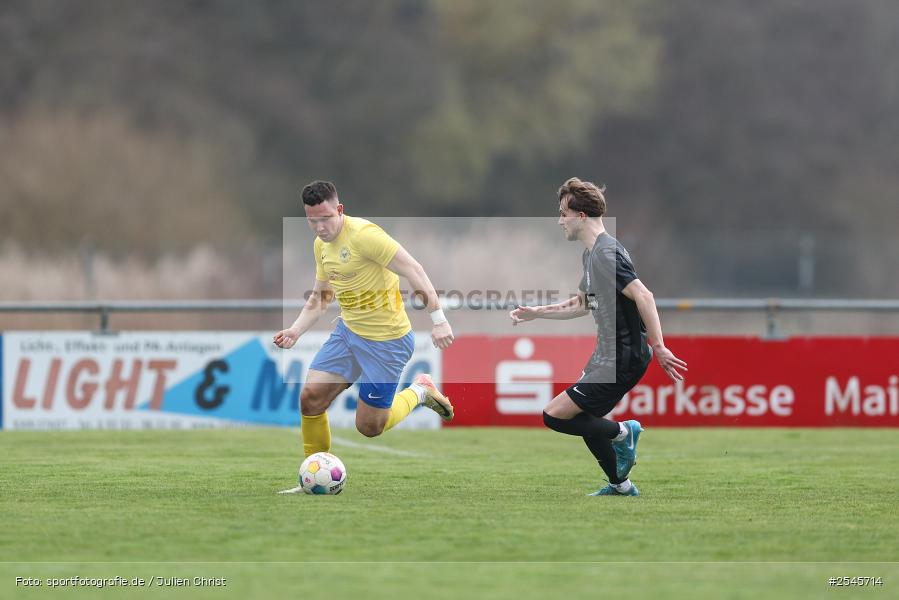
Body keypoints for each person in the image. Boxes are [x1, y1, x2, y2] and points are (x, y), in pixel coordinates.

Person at [509, 177, 687, 496]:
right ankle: (621, 486)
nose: (560, 221)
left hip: (623, 356)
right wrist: (537, 312)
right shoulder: (591, 255)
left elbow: (644, 296)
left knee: (554, 415)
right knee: (584, 416)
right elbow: (581, 304)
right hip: (607, 355)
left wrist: (659, 346)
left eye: (563, 213)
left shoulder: (606, 253)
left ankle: (624, 432)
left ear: (581, 216)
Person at [274, 180, 454, 470]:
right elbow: (321, 297)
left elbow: (414, 269)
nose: (320, 227)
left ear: (340, 210)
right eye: (312, 221)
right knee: (311, 398)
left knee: (369, 427)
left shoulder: (365, 236)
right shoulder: (321, 246)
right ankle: (314, 472)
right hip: (348, 335)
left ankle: (420, 390)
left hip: (387, 342)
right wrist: (295, 330)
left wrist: (439, 320)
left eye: (325, 218)